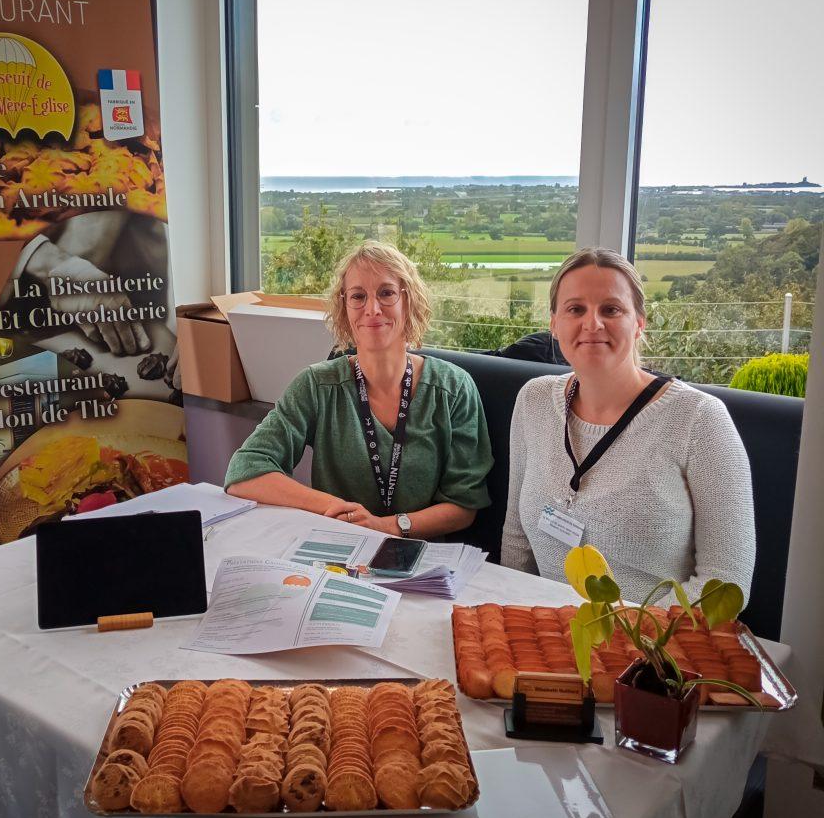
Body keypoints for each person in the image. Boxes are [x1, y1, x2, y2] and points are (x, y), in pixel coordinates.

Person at [501, 247, 755, 604]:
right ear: (554, 325)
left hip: (650, 648)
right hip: (545, 636)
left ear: (638, 323)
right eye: (576, 309)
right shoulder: (534, 400)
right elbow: (516, 540)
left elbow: (727, 585)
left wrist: (629, 636)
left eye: (611, 309)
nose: (593, 323)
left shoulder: (699, 420)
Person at [225, 241, 493, 538]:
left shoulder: (453, 389)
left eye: (387, 293)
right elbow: (243, 473)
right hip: (339, 549)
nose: (372, 309)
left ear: (409, 301)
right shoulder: (316, 386)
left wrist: (385, 526)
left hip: (421, 559)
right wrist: (339, 510)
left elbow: (464, 506)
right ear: (344, 307)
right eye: (358, 296)